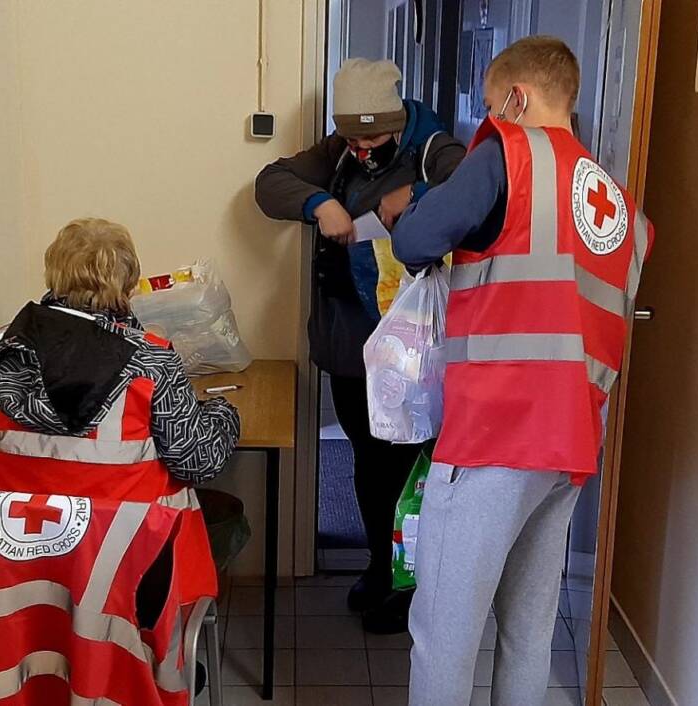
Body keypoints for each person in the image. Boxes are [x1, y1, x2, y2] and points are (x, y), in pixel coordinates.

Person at [390, 37, 654, 705]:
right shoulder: (618, 204)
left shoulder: (507, 155)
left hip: (495, 436)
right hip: (569, 447)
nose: (489, 117)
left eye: (489, 104)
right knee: (528, 631)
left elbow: (416, 241)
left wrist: (413, 206)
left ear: (517, 97)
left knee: (443, 635)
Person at [255, 58, 465, 632]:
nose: (362, 146)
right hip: (351, 347)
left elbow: (480, 188)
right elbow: (270, 182)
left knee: (407, 472)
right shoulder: (338, 152)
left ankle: (411, 583)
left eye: (373, 135)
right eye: (352, 135)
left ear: (398, 122)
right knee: (368, 466)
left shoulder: (433, 147)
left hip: (410, 350)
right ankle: (381, 565)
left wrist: (415, 195)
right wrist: (319, 203)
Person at [0, 217, 241, 607]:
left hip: (22, 567)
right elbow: (197, 461)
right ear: (127, 284)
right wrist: (224, 412)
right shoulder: (151, 360)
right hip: (132, 566)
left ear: (54, 274)